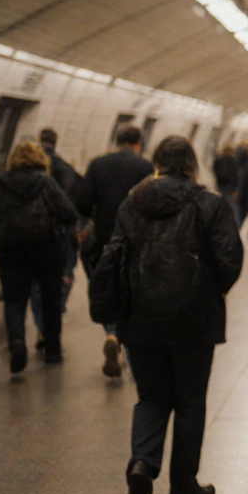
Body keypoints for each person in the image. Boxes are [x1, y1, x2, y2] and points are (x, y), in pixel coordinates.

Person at [114, 136, 243, 494]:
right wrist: (209, 291)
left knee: (151, 397)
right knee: (189, 402)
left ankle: (142, 463)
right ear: (192, 164)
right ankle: (183, 488)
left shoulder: (132, 202)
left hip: (140, 317)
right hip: (194, 320)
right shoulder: (210, 203)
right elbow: (229, 259)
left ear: (155, 163)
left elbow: (116, 255)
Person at [0, 141, 79, 372]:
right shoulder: (45, 182)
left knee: (14, 300)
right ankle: (52, 350)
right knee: (50, 300)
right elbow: (67, 212)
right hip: (45, 249)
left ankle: (17, 341)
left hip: (10, 250)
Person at [76, 125, 154, 377]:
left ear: (116, 140)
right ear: (137, 144)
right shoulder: (144, 167)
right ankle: (131, 349)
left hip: (103, 239)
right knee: (132, 290)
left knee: (107, 286)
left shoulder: (97, 164)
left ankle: (111, 334)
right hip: (136, 240)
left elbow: (83, 202)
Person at [30, 128, 82, 340]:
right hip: (63, 233)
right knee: (66, 273)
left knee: (36, 282)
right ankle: (56, 311)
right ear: (56, 142)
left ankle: (42, 326)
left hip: (34, 234)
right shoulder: (66, 168)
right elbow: (77, 202)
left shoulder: (23, 172)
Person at [211, 145, 241, 225]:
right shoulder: (232, 159)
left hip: (220, 184)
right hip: (229, 186)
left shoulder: (219, 158)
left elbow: (214, 168)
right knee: (232, 208)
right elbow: (235, 175)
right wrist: (235, 189)